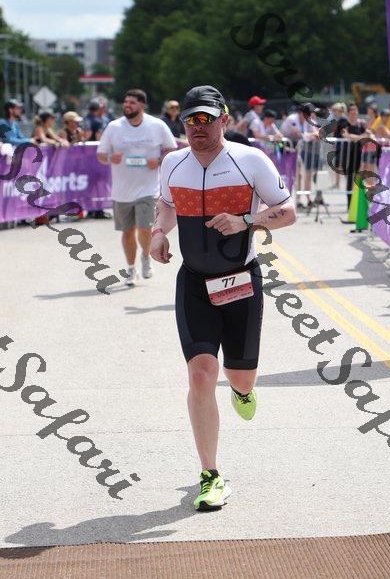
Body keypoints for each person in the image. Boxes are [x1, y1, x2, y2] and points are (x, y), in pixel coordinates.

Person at [150, 85, 296, 511]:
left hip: (240, 282)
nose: (197, 127)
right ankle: (210, 474)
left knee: (240, 377)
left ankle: (243, 391)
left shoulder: (250, 160)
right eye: (190, 120)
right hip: (194, 282)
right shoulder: (173, 163)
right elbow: (166, 205)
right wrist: (158, 232)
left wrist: (246, 220)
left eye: (206, 119)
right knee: (200, 374)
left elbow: (288, 211)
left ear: (224, 121)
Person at [97, 88, 177, 285]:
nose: (127, 106)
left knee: (144, 227)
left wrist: (159, 160)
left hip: (148, 189)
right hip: (122, 191)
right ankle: (131, 269)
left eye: (132, 103)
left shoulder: (156, 125)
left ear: (142, 105)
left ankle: (146, 257)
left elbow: (171, 149)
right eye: (125, 102)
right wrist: (110, 158)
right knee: (127, 232)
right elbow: (101, 155)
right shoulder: (114, 127)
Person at [335, 102, 369, 208]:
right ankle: (350, 205)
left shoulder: (360, 125)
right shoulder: (344, 123)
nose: (354, 114)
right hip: (347, 155)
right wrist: (359, 137)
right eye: (352, 112)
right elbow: (345, 135)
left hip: (358, 154)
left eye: (355, 111)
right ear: (348, 113)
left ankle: (356, 204)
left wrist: (357, 137)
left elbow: (368, 134)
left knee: (357, 179)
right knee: (350, 179)